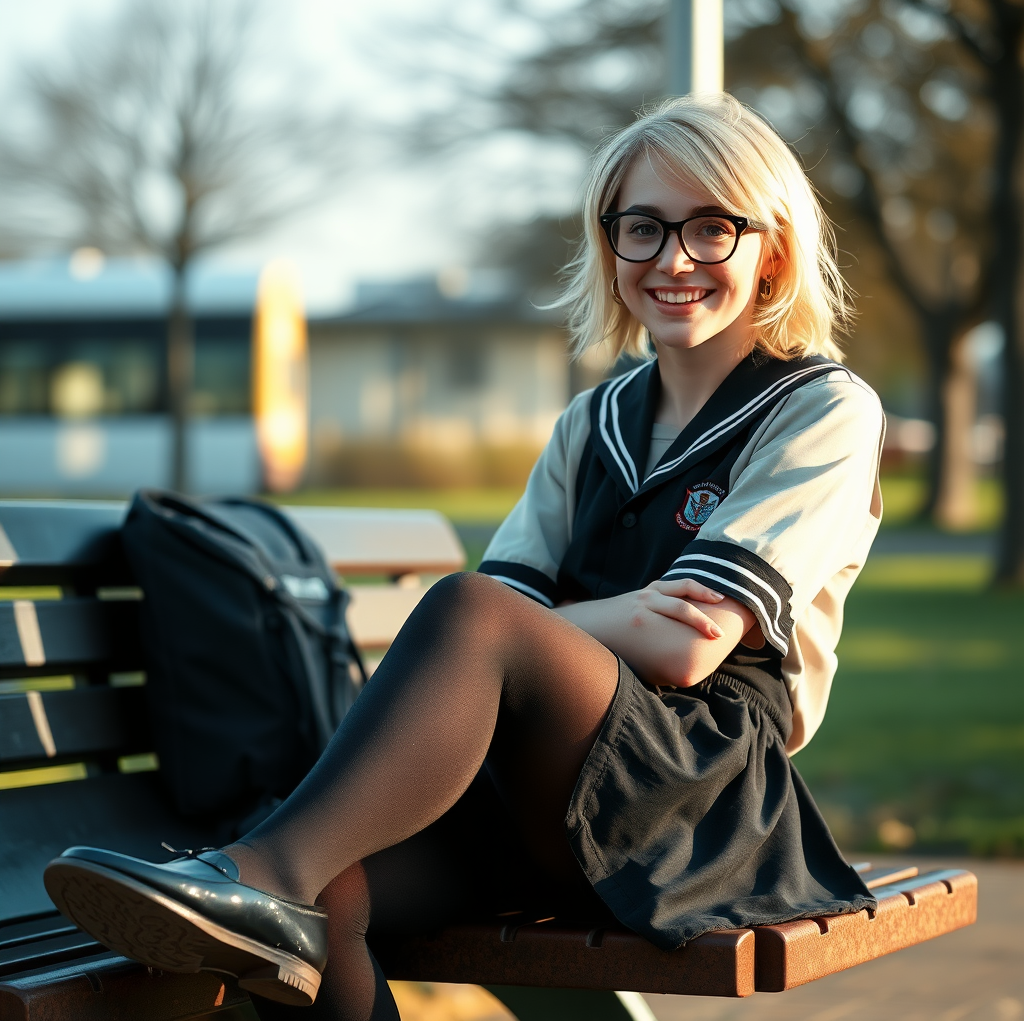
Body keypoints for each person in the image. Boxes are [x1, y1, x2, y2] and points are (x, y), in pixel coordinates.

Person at [44, 93, 885, 1021]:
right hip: (544, 792)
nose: (672, 259)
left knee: (467, 625)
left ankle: (254, 874)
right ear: (609, 245)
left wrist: (520, 642)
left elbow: (686, 643)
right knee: (327, 895)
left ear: (771, 247)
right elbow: (515, 619)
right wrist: (545, 636)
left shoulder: (822, 409)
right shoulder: (590, 423)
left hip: (699, 800)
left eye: (711, 227)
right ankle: (268, 880)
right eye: (642, 227)